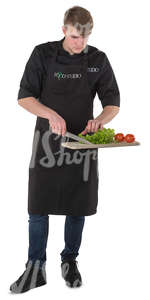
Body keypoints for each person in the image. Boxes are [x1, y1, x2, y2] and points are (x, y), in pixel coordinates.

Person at [10, 5, 120, 293]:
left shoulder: (98, 59)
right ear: (63, 30)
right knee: (37, 206)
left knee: (77, 205)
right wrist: (49, 113)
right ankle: (35, 266)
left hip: (82, 144)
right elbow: (24, 97)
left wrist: (99, 120)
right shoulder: (42, 54)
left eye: (84, 38)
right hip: (47, 144)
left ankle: (69, 260)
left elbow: (113, 103)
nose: (79, 44)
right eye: (74, 37)